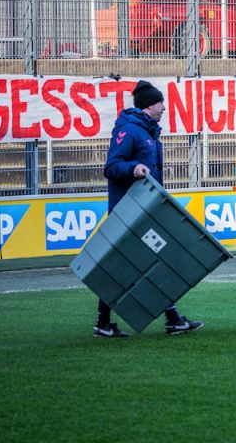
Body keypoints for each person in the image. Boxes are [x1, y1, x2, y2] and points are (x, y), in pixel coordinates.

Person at [94, 79, 204, 338]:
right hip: (129, 212)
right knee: (137, 263)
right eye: (160, 102)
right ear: (148, 106)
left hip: (145, 209)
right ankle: (106, 322)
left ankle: (169, 319)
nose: (164, 107)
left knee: (152, 260)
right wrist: (133, 169)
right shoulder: (130, 131)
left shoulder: (148, 132)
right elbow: (111, 167)